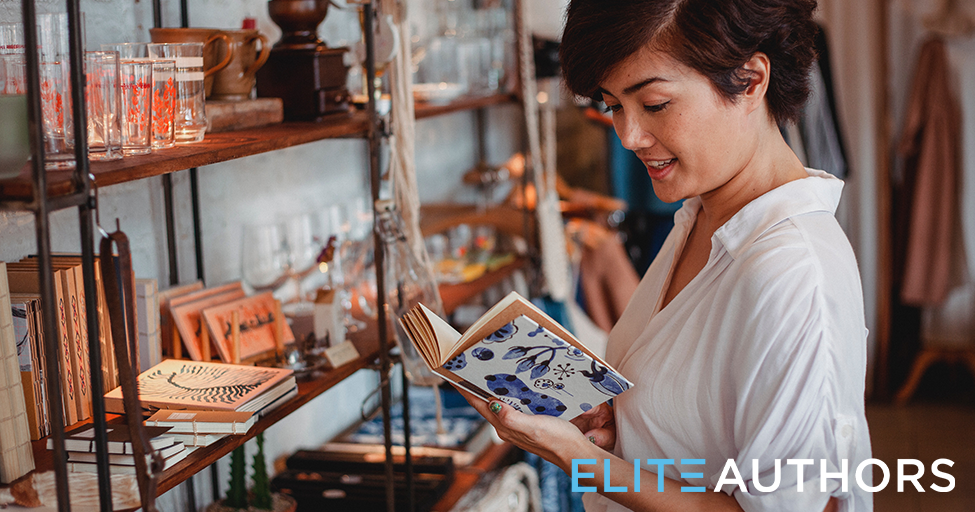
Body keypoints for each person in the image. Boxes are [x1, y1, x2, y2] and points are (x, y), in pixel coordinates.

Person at [456, 0, 872, 511]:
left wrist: (577, 458)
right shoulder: (700, 215)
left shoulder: (790, 272)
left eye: (653, 104)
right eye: (613, 106)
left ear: (750, 79)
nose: (629, 136)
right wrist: (620, 420)